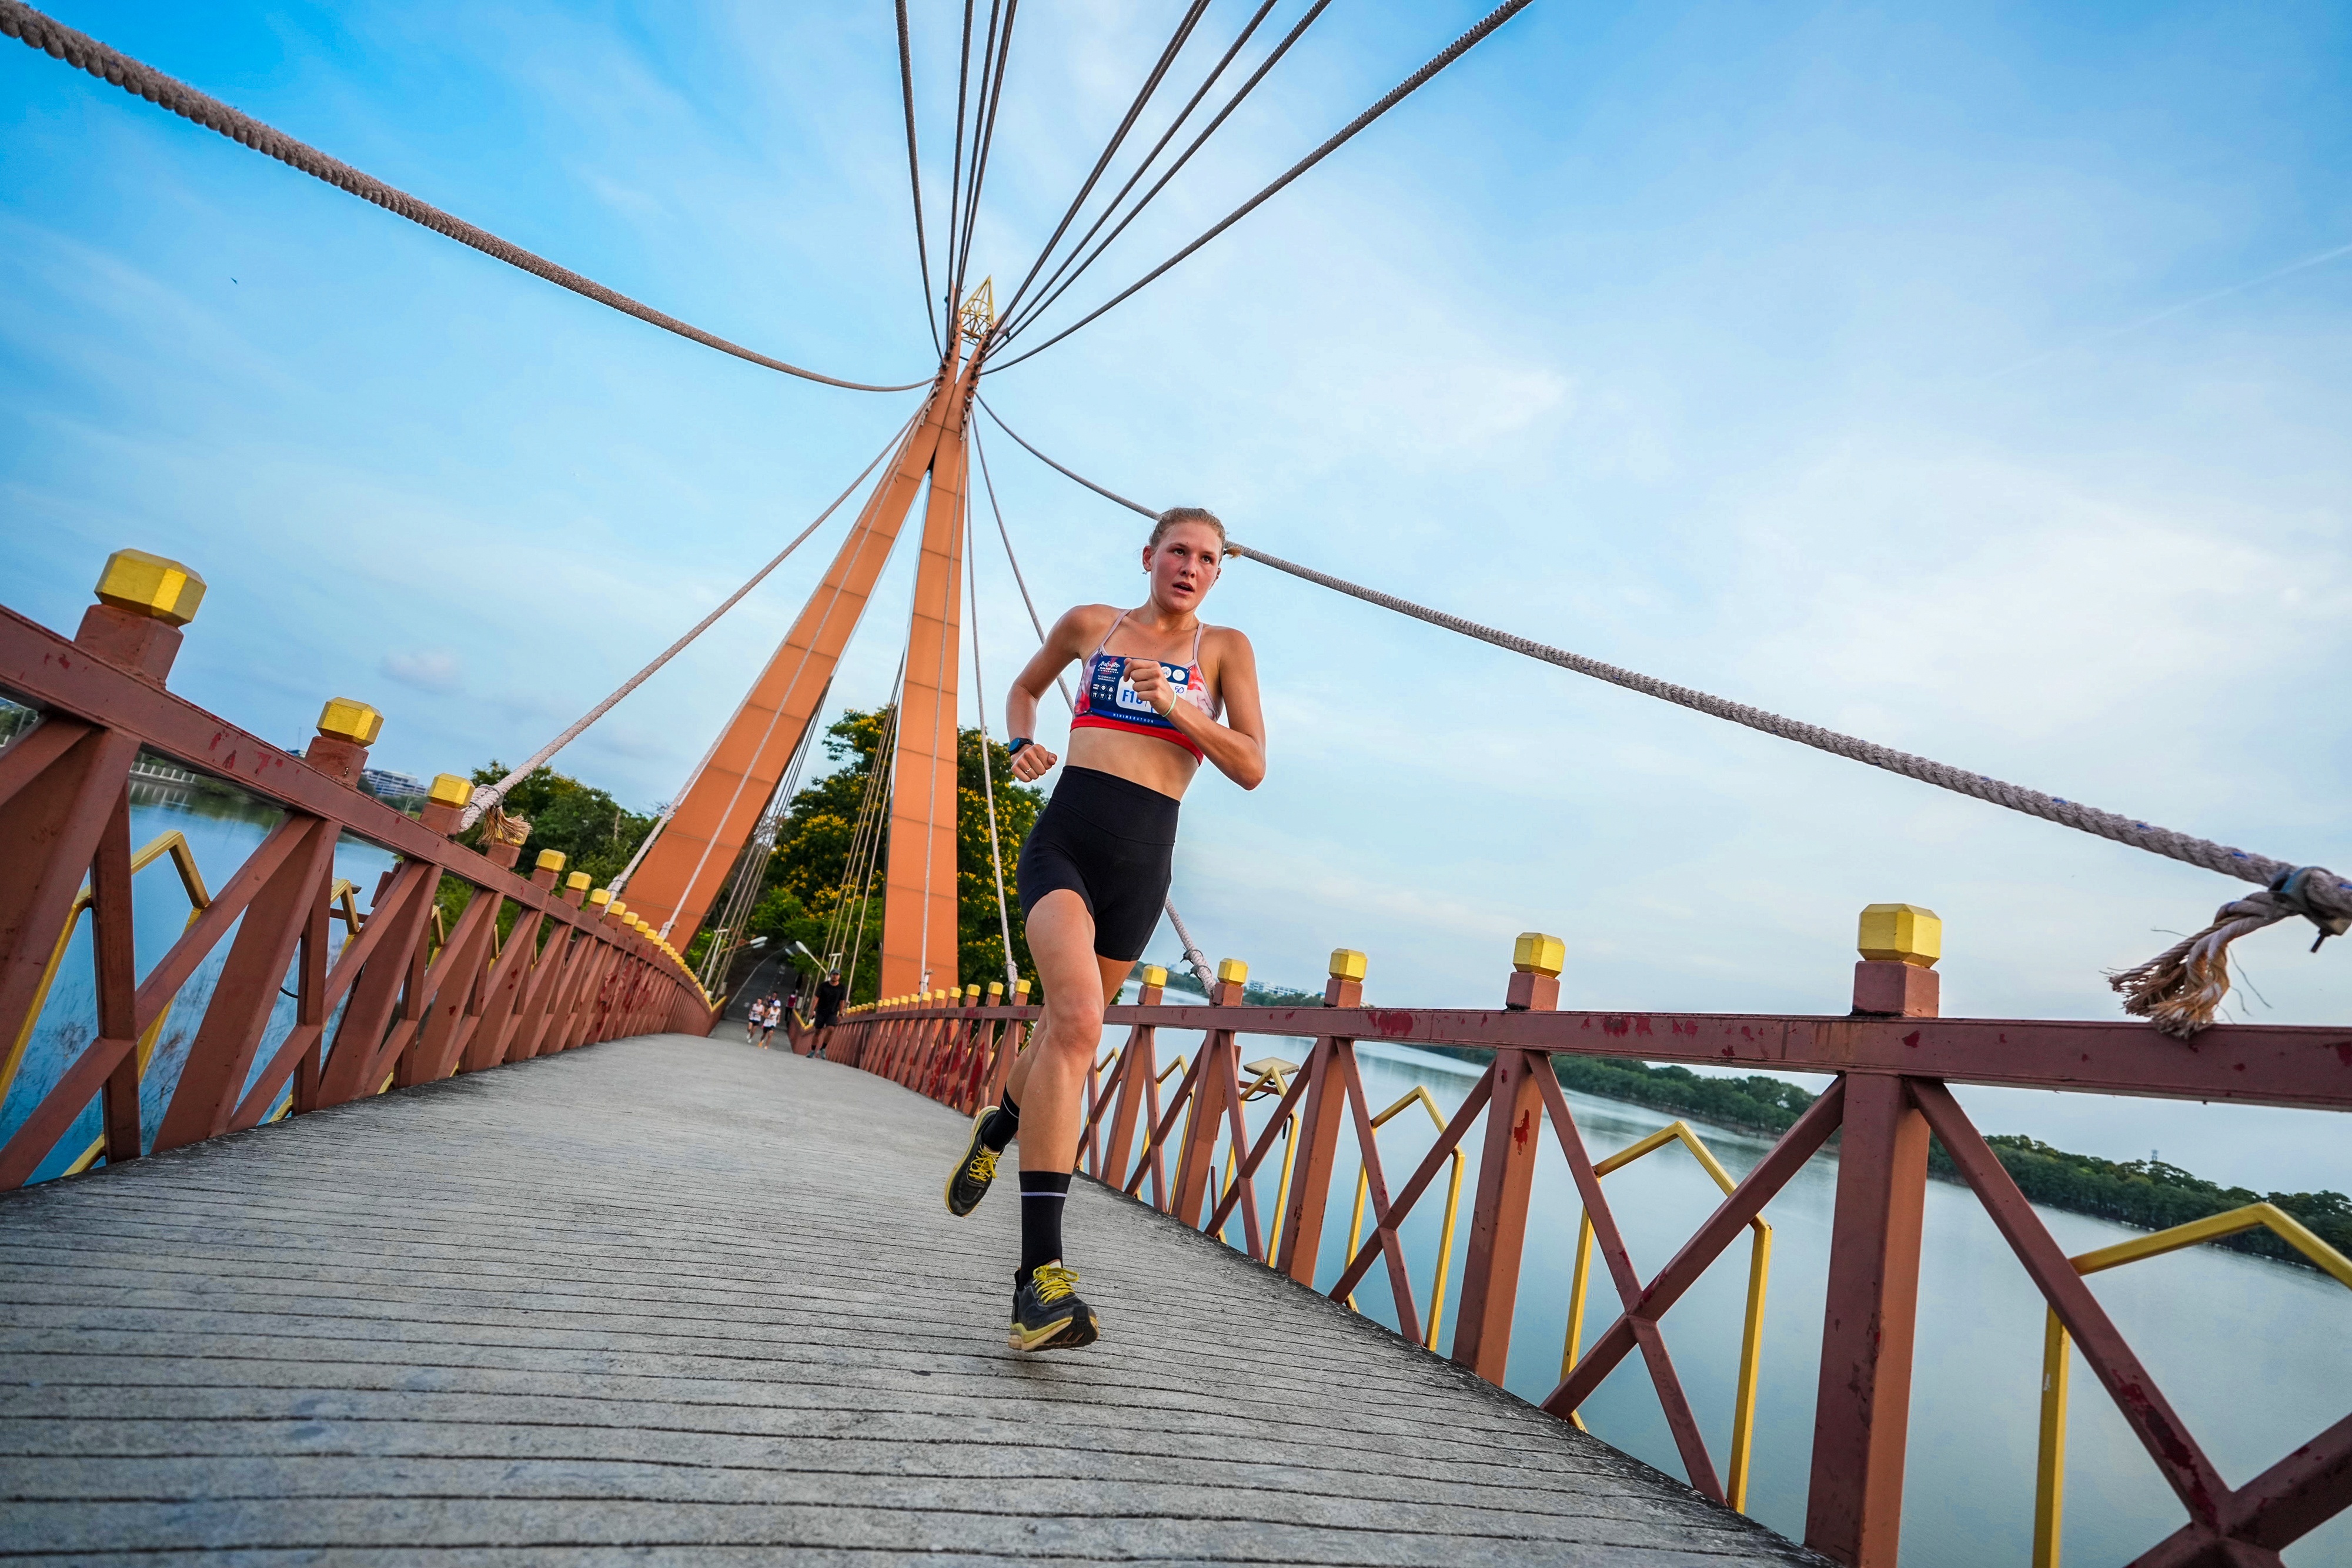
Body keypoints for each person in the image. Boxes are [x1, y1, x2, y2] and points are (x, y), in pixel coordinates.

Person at [941, 506, 1264, 1353]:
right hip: (1066, 843)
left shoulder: (1224, 649)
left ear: (1219, 571)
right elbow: (1024, 685)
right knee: (1080, 1020)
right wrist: (1021, 739)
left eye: (1207, 557)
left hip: (1144, 869)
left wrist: (1183, 710)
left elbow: (1252, 765)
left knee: (1061, 1030)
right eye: (1178, 551)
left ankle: (1001, 1123)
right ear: (1149, 555)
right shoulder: (1093, 624)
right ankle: (1036, 1282)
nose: (1190, 566)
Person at [813, 969, 846, 1058]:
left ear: (839, 976)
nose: (835, 976)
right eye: (834, 974)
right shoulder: (823, 985)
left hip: (832, 1013)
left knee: (831, 1029)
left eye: (837, 975)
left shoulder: (841, 988)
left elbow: (842, 1001)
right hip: (821, 1012)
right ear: (830, 975)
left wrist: (841, 1014)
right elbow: (816, 998)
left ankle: (822, 1049)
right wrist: (812, 1010)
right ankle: (812, 1050)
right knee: (818, 1031)